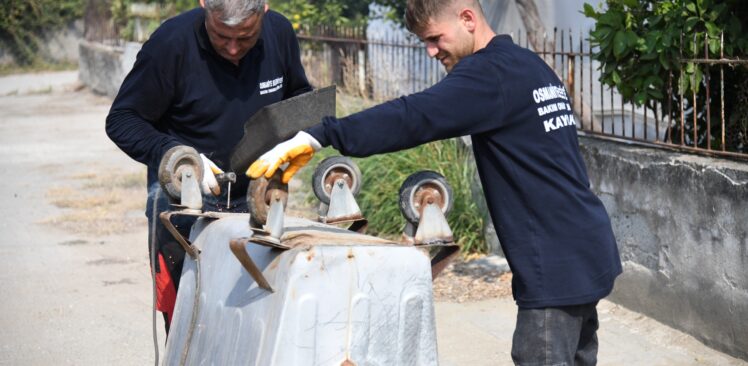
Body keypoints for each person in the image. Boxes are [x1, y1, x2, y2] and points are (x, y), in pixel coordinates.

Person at [247, 0, 622, 364]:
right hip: (587, 250)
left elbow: (414, 116)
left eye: (435, 38)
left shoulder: (489, 74)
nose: (430, 51)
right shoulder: (528, 65)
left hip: (555, 265)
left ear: (468, 19)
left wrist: (320, 134)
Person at [105, 0, 311, 333]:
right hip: (182, 203)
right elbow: (122, 119)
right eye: (221, 35)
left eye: (245, 38)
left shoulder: (280, 33)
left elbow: (299, 96)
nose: (232, 49)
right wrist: (176, 154)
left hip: (255, 198)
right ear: (204, 6)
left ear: (265, 9)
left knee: (255, 316)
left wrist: (300, 137)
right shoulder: (170, 44)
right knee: (189, 321)